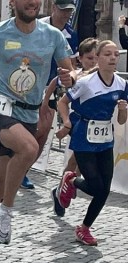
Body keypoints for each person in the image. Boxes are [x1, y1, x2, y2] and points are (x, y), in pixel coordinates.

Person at [0, 0, 75, 259]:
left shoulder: (52, 36)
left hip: (29, 113)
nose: (32, 3)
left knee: (2, 181)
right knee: (29, 148)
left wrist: (70, 78)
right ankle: (6, 213)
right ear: (13, 2)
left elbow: (71, 71)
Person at [54, 41, 126, 246]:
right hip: (83, 137)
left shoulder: (121, 84)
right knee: (95, 186)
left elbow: (121, 120)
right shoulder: (86, 83)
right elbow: (62, 102)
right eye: (108, 55)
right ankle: (71, 180)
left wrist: (122, 110)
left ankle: (84, 229)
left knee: (104, 190)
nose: (113, 58)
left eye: (116, 55)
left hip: (105, 139)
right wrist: (67, 121)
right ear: (99, 57)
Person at [25, 0, 80, 190]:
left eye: (69, 11)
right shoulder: (38, 27)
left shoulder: (71, 34)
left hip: (52, 88)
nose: (66, 15)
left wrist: (72, 78)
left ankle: (23, 169)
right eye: (63, 10)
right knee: (33, 130)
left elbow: (72, 65)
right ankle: (15, 164)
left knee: (43, 131)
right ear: (54, 8)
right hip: (30, 85)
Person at [49, 37, 98, 218]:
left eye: (95, 58)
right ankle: (61, 189)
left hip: (97, 127)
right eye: (89, 58)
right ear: (80, 59)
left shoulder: (103, 75)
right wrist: (46, 104)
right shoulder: (79, 75)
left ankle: (64, 187)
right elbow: (60, 82)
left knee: (78, 164)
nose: (93, 62)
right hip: (78, 122)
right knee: (75, 160)